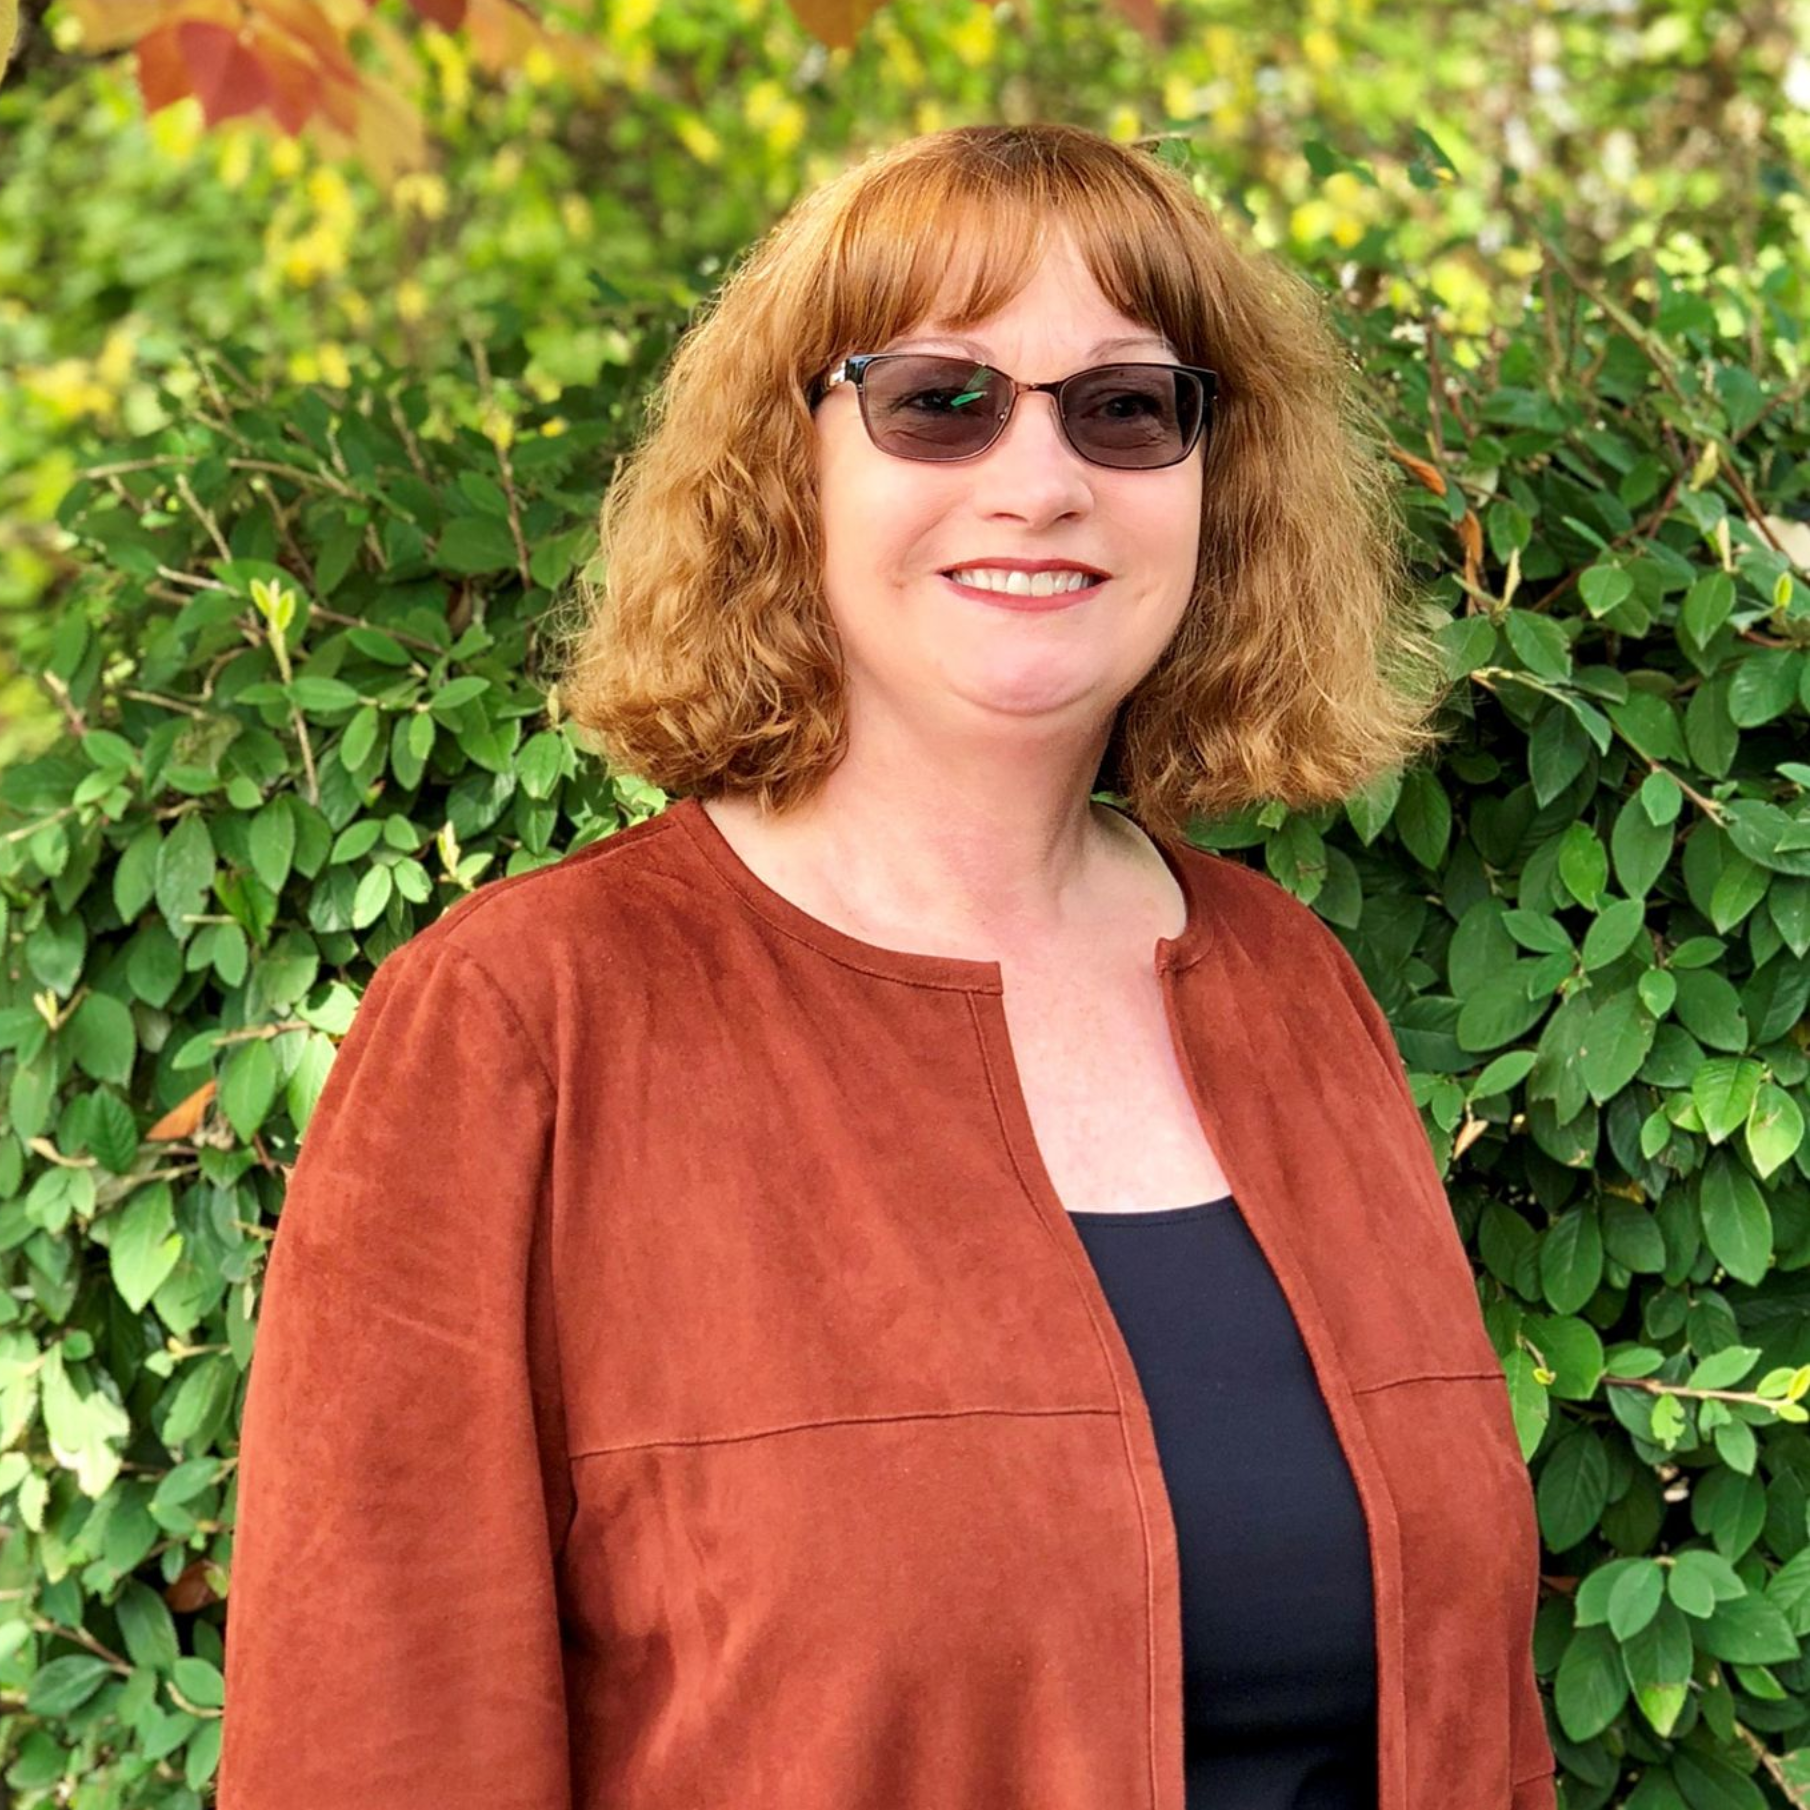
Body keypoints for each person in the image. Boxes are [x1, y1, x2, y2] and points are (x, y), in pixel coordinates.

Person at [217, 123, 1557, 1809]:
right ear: (793, 466)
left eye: (1125, 407)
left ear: (1219, 481)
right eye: (942, 397)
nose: (1040, 477)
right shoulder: (521, 1024)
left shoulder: (1293, 992)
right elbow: (375, 1741)